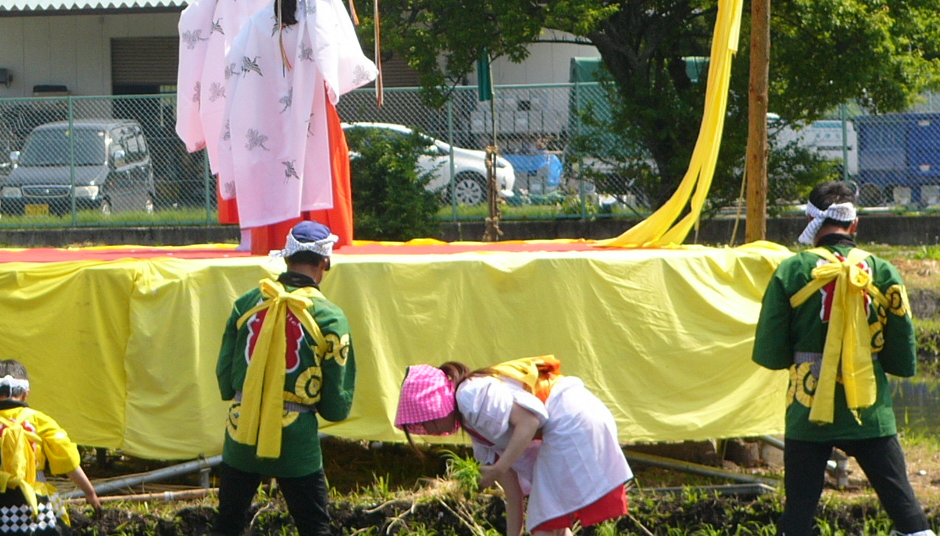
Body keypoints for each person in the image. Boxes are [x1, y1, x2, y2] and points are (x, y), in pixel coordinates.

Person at [752, 181, 934, 536]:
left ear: (810, 219)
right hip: (869, 410)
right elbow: (902, 361)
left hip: (808, 409)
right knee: (906, 512)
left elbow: (771, 354)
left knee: (798, 516)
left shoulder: (791, 272)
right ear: (855, 224)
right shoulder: (883, 272)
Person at [221, 0, 376, 253]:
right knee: (319, 173)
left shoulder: (258, 24)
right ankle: (323, 241)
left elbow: (234, 67)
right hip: (315, 117)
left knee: (276, 171)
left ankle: (277, 239)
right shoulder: (315, 17)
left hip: (272, 119)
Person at [214, 222, 355, 536]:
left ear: (287, 259)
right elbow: (337, 391)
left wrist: (233, 391)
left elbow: (225, 368)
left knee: (228, 523)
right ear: (325, 263)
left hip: (242, 426)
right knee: (314, 525)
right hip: (296, 435)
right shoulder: (329, 316)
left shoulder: (248, 302)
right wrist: (333, 409)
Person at [396, 358, 631, 536]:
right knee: (548, 522)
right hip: (576, 420)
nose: (429, 430)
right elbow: (513, 493)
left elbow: (529, 421)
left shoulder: (470, 396)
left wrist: (499, 468)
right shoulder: (476, 428)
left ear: (435, 406)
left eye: (426, 421)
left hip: (572, 422)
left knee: (545, 522)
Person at [176, 0, 275, 225]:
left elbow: (188, 24)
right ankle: (270, 228)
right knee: (268, 153)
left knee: (235, 152)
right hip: (266, 85)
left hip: (227, 86)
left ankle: (246, 234)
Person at [0, 358, 100, 536]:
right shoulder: (41, 421)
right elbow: (68, 461)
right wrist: (90, 492)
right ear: (25, 394)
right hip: (39, 505)